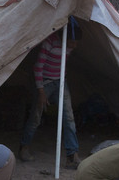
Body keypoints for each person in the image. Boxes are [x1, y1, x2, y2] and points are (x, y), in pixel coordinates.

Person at [19, 19, 82, 168]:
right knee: (36, 116)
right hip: (45, 82)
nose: (74, 45)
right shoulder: (50, 42)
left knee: (69, 118)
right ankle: (24, 147)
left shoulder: (70, 46)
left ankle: (72, 155)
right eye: (72, 42)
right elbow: (38, 67)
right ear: (64, 38)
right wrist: (41, 91)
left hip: (61, 82)